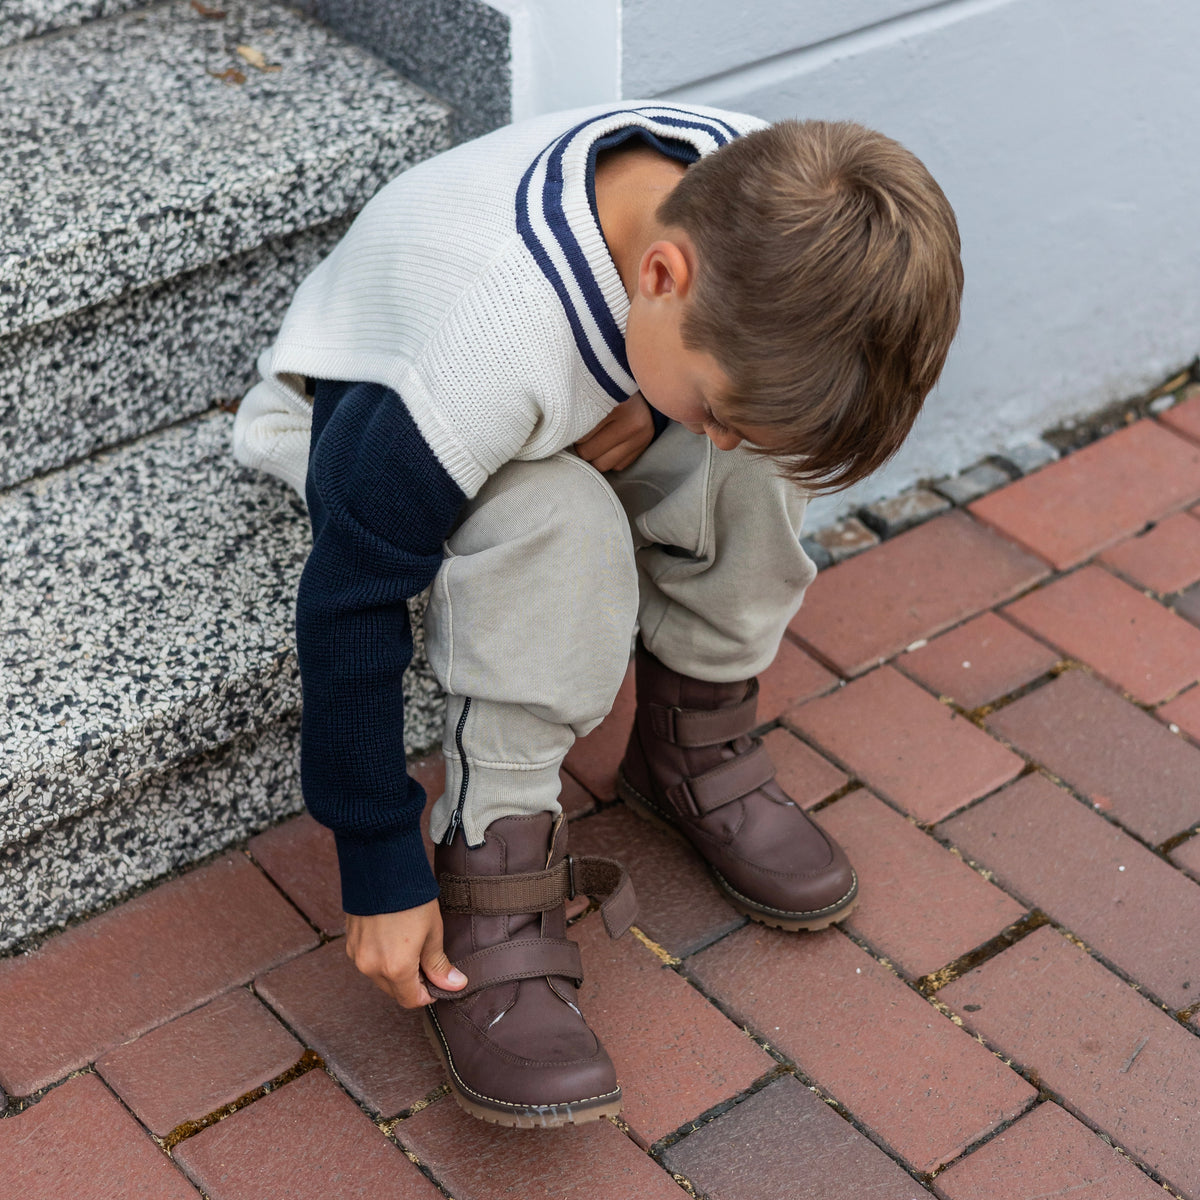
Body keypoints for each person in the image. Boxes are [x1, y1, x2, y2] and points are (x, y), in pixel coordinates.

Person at [233, 101, 962, 1128]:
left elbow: (715, 388)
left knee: (753, 467)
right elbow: (348, 601)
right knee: (562, 524)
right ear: (660, 279)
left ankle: (686, 747)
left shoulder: (767, 209)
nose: (711, 425)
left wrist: (673, 409)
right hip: (354, 414)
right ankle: (492, 847)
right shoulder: (472, 349)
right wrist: (375, 861)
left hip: (579, 373)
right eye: (710, 400)